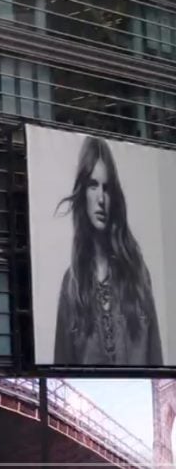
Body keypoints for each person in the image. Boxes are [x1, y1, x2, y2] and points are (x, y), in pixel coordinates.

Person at [53, 135, 163, 365]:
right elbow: (61, 365)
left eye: (107, 188)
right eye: (93, 185)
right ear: (83, 193)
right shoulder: (71, 284)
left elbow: (156, 360)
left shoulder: (138, 275)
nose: (101, 198)